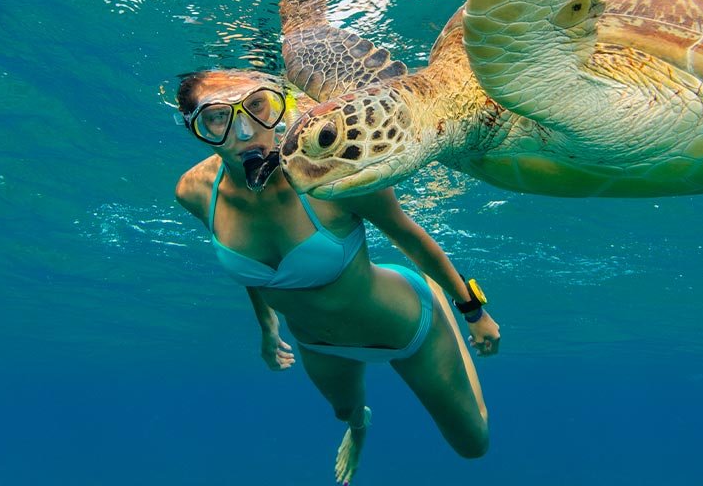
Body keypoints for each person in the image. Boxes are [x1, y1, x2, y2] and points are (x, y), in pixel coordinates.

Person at [170, 68, 500, 484]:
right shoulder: (195, 192)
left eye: (257, 107)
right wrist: (267, 327)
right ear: (196, 129)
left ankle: (430, 296)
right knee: (347, 413)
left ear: (278, 106)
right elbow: (252, 270)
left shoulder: (333, 169)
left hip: (406, 327)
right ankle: (360, 431)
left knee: (474, 445)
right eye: (217, 117)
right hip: (318, 345)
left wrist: (472, 310)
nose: (244, 130)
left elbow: (410, 237)